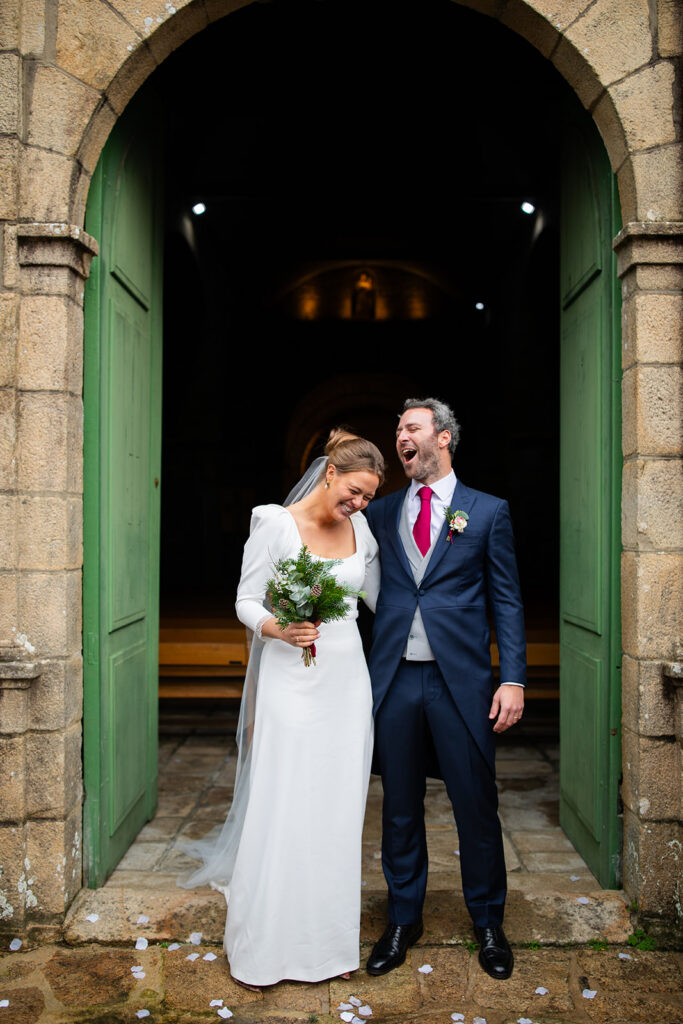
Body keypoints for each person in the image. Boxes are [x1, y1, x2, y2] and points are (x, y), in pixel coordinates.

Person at [180, 429, 384, 988]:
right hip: (289, 678)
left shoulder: (361, 529)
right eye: (356, 491)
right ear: (330, 474)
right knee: (287, 795)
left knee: (339, 806)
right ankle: (266, 947)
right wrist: (277, 627)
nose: (359, 504)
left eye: (369, 497)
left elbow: (377, 599)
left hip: (346, 677)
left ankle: (329, 947)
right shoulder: (274, 522)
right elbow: (245, 599)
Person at [364, 398, 526, 982]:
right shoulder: (380, 514)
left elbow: (506, 599)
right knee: (400, 807)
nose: (400, 438)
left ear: (444, 437)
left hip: (462, 682)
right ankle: (404, 919)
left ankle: (488, 922)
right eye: (398, 430)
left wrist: (511, 677)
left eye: (411, 428)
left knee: (475, 805)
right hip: (397, 680)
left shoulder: (487, 512)